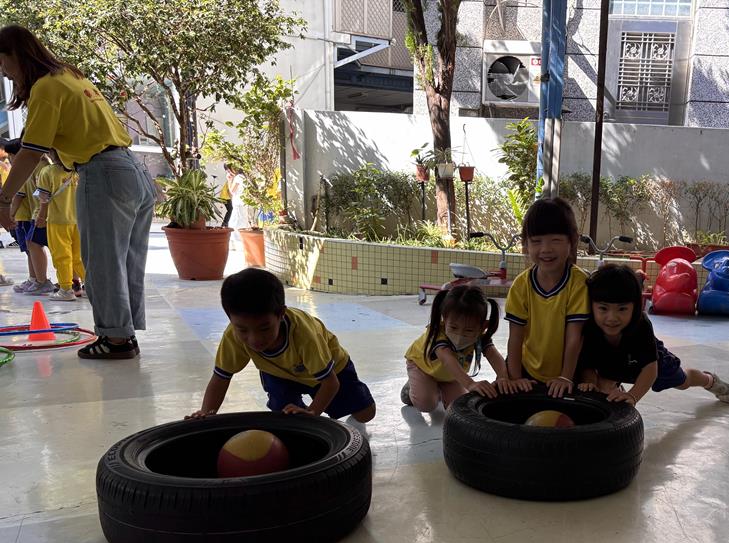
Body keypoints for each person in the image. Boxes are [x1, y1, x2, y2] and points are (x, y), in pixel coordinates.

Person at [0, 25, 155, 359]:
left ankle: (116, 340)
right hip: (132, 169)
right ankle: (123, 335)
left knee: (101, 262)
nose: (4, 72)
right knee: (126, 261)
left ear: (16, 55)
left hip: (103, 171)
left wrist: (4, 199)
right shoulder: (71, 76)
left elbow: (30, 152)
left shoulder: (45, 86)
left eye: (3, 63)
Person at [188, 268, 376, 423]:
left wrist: (312, 413)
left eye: (264, 328)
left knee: (365, 415)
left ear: (281, 314)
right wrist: (206, 413)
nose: (254, 339)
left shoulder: (304, 335)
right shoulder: (233, 335)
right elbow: (220, 378)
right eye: (243, 330)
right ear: (230, 319)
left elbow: (331, 383)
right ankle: (297, 410)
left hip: (331, 370)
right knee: (285, 418)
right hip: (279, 374)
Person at [577, 263, 729, 405]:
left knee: (683, 382)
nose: (612, 318)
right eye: (603, 308)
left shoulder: (640, 325)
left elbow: (650, 369)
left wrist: (633, 395)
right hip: (614, 365)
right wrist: (589, 381)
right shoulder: (588, 326)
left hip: (654, 364)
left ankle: (709, 380)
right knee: (602, 386)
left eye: (622, 309)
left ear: (635, 307)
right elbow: (587, 361)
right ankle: (615, 389)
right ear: (592, 306)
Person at [500, 197, 590, 398]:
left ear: (572, 241)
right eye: (536, 241)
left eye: (555, 240)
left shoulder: (578, 283)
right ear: (526, 244)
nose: (546, 249)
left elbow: (574, 337)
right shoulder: (521, 285)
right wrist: (515, 378)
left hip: (570, 372)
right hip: (527, 369)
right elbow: (515, 338)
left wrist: (565, 377)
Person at [402, 285, 509, 411]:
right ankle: (410, 390)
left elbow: (493, 355)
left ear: (483, 326)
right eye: (453, 327)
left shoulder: (479, 336)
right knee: (427, 404)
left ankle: (437, 387)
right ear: (445, 318)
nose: (460, 334)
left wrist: (503, 377)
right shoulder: (437, 333)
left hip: (450, 375)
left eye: (469, 330)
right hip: (422, 367)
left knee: (459, 405)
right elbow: (447, 359)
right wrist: (470, 384)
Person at [4, 138, 52, 294]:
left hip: (37, 214)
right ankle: (35, 280)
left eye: (11, 155)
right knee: (31, 246)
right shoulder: (38, 166)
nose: (10, 158)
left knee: (34, 245)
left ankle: (43, 281)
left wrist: (10, 214)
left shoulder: (33, 168)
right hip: (34, 213)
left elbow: (20, 195)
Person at [34, 150, 84, 301]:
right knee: (80, 257)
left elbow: (44, 200)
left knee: (62, 256)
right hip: (79, 220)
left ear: (51, 153)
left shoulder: (47, 172)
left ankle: (66, 289)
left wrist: (41, 217)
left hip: (58, 220)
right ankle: (91, 287)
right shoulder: (78, 171)